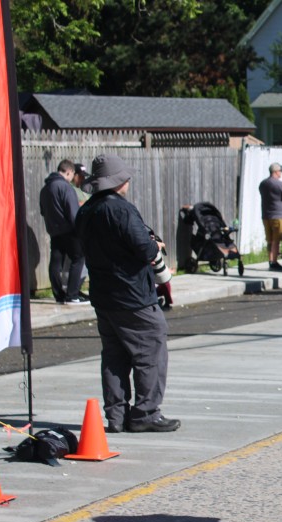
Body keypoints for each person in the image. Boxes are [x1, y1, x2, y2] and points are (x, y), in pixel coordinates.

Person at [75, 154, 179, 434]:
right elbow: (145, 249)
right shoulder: (121, 210)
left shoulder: (86, 210)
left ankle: (116, 416)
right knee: (150, 350)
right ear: (120, 180)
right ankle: (146, 413)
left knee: (114, 356)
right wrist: (156, 246)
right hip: (133, 295)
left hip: (103, 294)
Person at [39, 159, 87, 305]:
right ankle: (72, 295)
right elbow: (73, 212)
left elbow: (43, 211)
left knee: (55, 262)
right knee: (78, 258)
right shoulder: (65, 187)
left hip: (54, 232)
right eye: (73, 174)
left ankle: (59, 295)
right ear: (69, 172)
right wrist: (80, 230)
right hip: (69, 231)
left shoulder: (44, 189)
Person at [259, 162, 282, 271]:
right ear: (276, 171)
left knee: (270, 240)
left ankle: (270, 260)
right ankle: (274, 262)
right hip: (278, 215)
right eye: (280, 171)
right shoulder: (281, 184)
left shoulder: (263, 184)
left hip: (266, 215)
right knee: (277, 240)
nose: (281, 173)